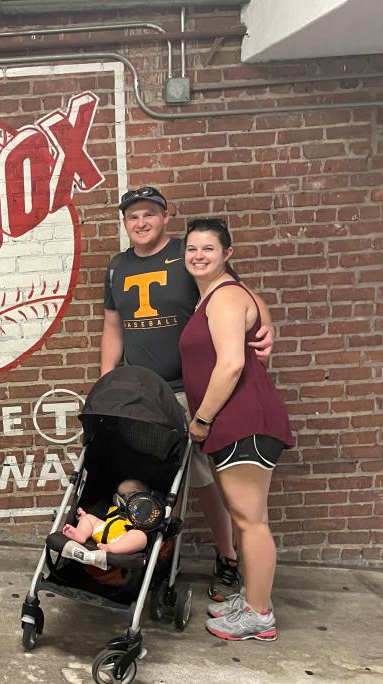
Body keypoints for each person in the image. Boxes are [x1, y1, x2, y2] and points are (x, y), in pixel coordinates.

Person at [101, 186, 274, 602]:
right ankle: (157, 559)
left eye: (149, 215)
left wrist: (267, 325)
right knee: (153, 481)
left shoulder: (190, 254)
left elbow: (239, 294)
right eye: (132, 217)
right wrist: (108, 380)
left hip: (189, 391)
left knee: (201, 482)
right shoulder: (117, 266)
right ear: (124, 222)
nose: (141, 223)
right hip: (142, 395)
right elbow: (112, 325)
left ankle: (228, 558)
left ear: (165, 216)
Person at [179, 217, 294, 641]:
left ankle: (259, 614)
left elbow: (231, 364)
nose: (198, 255)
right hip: (236, 421)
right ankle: (251, 598)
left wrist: (201, 419)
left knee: (250, 521)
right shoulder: (215, 296)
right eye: (192, 248)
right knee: (247, 517)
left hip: (244, 420)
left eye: (208, 248)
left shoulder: (225, 297)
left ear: (227, 254)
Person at [61, 479, 150, 554]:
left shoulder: (144, 512)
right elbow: (101, 519)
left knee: (140, 537)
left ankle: (112, 548)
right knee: (88, 518)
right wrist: (83, 518)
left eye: (133, 492)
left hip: (123, 538)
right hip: (103, 531)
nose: (128, 496)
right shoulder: (114, 508)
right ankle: (81, 534)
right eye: (124, 494)